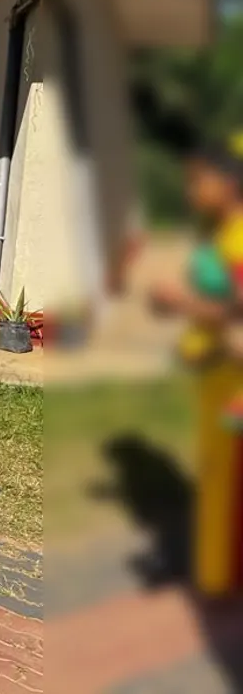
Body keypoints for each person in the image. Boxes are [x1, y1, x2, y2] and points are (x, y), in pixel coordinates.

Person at [150, 141, 243, 598]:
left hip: (233, 378)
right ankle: (216, 576)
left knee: (227, 481)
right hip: (214, 374)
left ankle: (220, 581)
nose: (190, 192)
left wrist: (180, 300)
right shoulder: (221, 232)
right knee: (217, 479)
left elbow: (235, 310)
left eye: (197, 181)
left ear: (226, 182)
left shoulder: (239, 236)